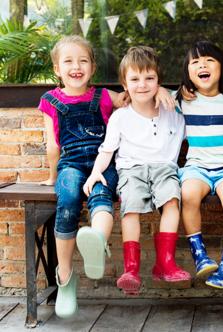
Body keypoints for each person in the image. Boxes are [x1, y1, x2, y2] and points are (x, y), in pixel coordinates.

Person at [83, 46, 190, 296]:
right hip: (132, 170)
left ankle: (165, 263)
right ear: (124, 84)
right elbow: (107, 150)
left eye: (149, 78)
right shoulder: (121, 117)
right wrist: (95, 172)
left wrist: (168, 93)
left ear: (159, 81)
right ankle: (131, 269)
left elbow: (194, 94)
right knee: (130, 208)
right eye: (135, 79)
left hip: (165, 168)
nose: (142, 85)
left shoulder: (173, 111)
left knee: (172, 201)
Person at [38, 35, 126, 318]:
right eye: (68, 61)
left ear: (93, 67)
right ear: (56, 69)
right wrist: (53, 177)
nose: (76, 66)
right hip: (71, 165)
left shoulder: (104, 97)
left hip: (103, 163)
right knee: (68, 200)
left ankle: (96, 241)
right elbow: (52, 143)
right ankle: (65, 276)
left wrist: (160, 91)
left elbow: (134, 98)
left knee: (102, 194)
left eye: (83, 61)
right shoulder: (50, 100)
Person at [176, 41, 223, 289]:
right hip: (197, 166)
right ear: (188, 72)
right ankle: (199, 255)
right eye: (195, 62)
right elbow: (153, 97)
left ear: (222, 68)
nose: (202, 65)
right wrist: (169, 92)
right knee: (188, 194)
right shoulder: (182, 101)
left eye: (209, 60)